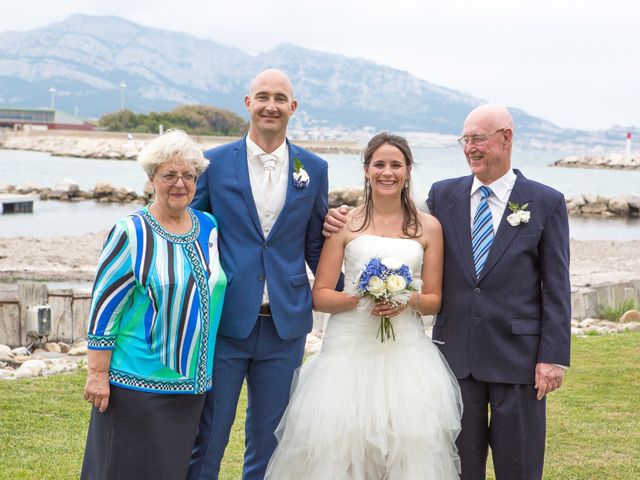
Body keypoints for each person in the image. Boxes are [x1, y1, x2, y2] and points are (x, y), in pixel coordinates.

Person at [326, 104, 571, 479]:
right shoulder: (444, 196)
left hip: (518, 357)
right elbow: (392, 227)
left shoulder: (545, 201)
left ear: (506, 139)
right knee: (458, 468)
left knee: (519, 466)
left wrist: (552, 358)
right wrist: (340, 216)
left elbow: (556, 286)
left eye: (479, 139)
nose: (470, 147)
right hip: (455, 360)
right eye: (465, 140)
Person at [265, 133, 462, 479]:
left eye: (396, 165)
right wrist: (361, 297)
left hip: (406, 357)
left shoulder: (428, 227)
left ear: (408, 171)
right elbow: (321, 294)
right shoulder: (345, 223)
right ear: (367, 170)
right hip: (348, 354)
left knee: (406, 450)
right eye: (379, 164)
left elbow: (432, 301)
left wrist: (406, 299)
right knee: (339, 450)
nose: (387, 172)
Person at [188, 69, 335, 480]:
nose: (271, 105)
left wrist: (352, 290)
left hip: (284, 326)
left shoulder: (315, 169)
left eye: (280, 98)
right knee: (210, 434)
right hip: (225, 322)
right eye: (263, 96)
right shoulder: (213, 164)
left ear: (293, 107)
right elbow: (196, 235)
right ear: (248, 102)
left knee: (270, 441)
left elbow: (313, 244)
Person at [81, 129, 227, 480]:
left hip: (192, 385)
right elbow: (105, 308)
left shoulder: (208, 226)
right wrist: (98, 374)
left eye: (188, 176)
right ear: (151, 180)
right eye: (169, 175)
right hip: (135, 384)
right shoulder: (130, 232)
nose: (180, 183)